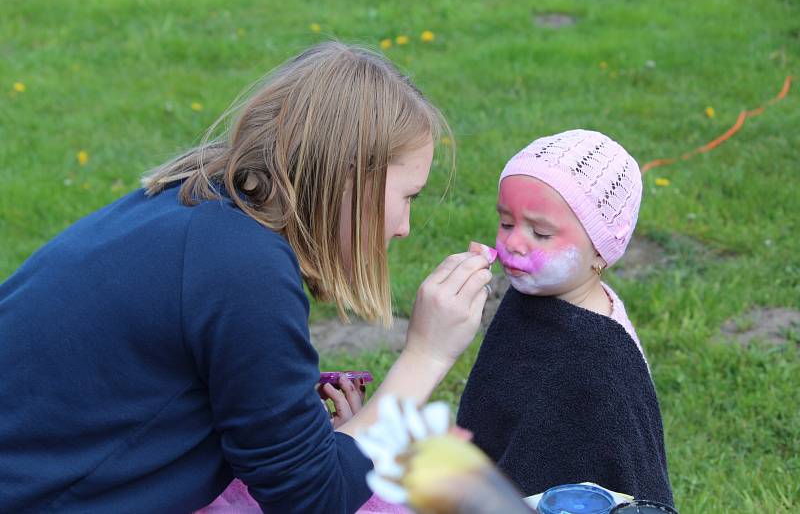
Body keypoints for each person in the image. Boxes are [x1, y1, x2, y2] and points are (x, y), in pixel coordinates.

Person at [0, 41, 492, 513]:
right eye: (408, 196)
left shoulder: (192, 203)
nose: (404, 227)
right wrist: (426, 355)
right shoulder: (243, 270)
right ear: (350, 176)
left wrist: (298, 412)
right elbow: (313, 501)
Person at [457, 129, 674, 506]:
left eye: (540, 232)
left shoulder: (604, 361)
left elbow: (632, 476)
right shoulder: (529, 298)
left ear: (601, 251)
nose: (513, 242)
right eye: (506, 223)